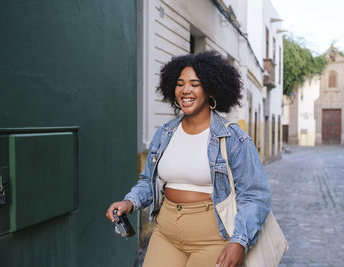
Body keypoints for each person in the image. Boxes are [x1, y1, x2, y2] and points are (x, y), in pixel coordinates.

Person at [106, 50, 270, 267]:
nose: (185, 90)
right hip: (166, 232)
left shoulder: (234, 138)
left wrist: (239, 242)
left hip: (213, 239)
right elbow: (148, 181)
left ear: (210, 89)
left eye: (194, 84)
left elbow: (254, 196)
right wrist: (130, 202)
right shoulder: (164, 134)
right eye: (180, 83)